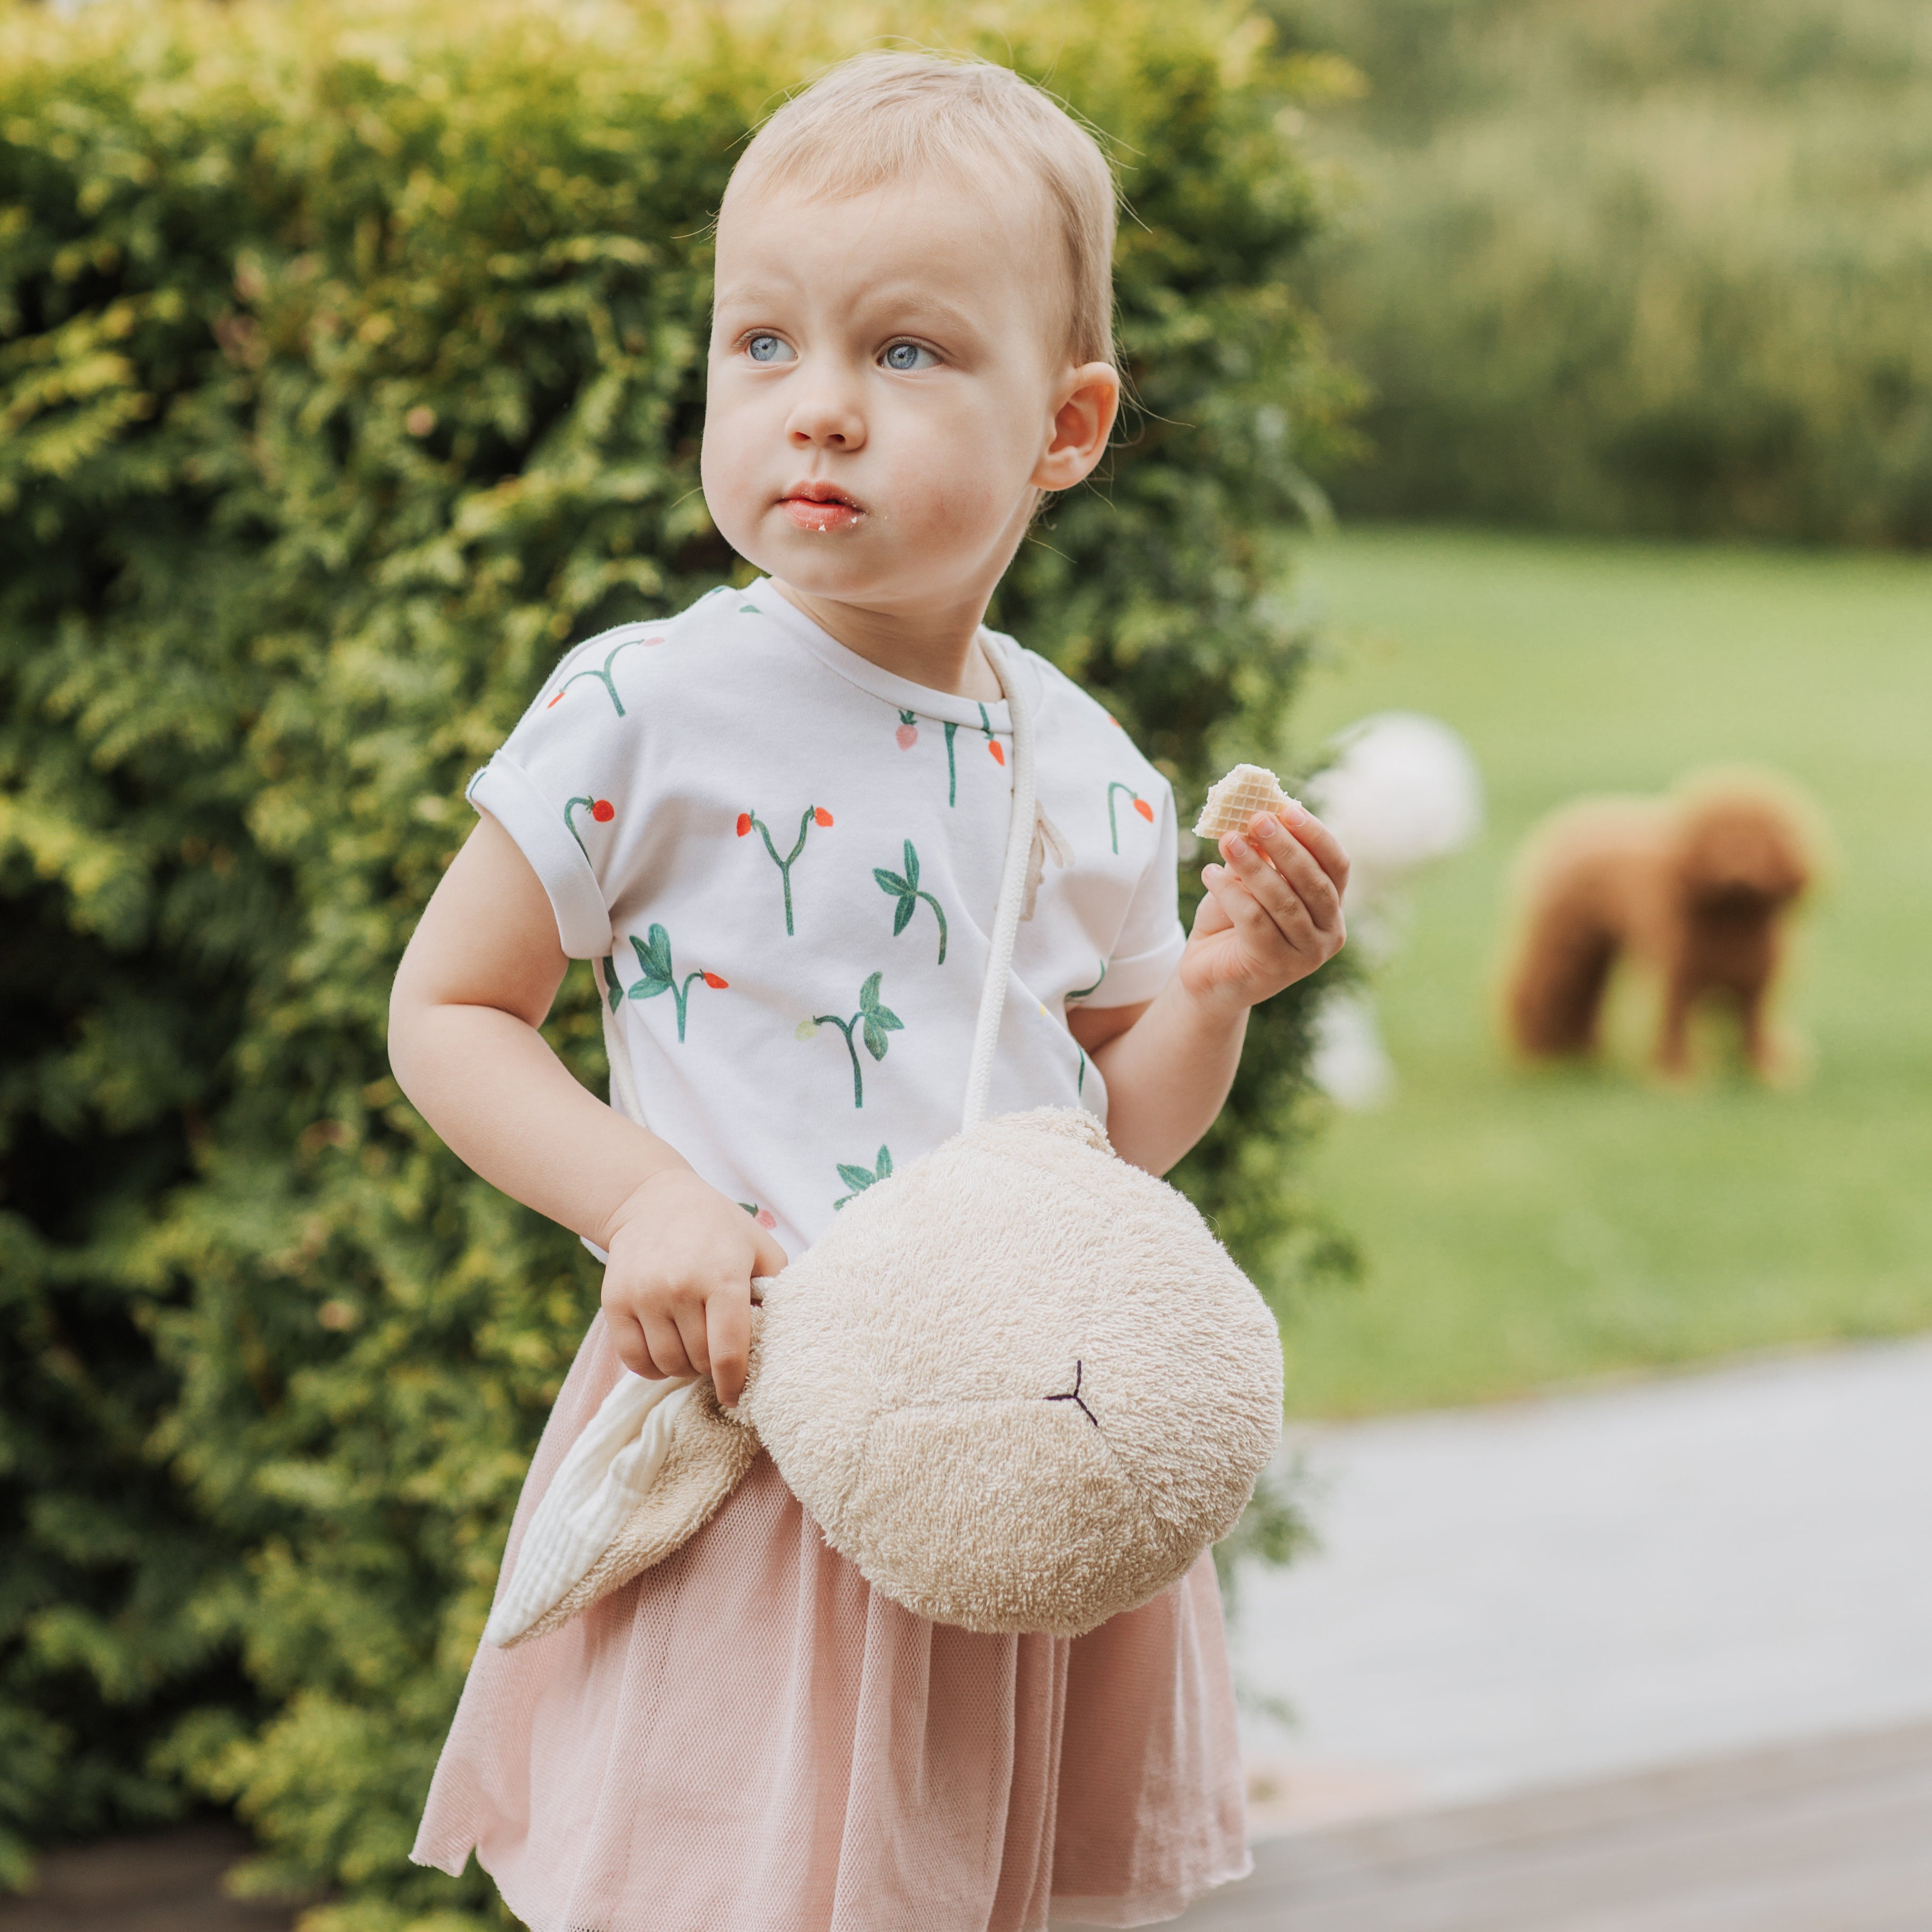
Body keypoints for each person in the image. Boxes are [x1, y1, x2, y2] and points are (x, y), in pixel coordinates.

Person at [392, 51, 1347, 1932]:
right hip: (761, 1439)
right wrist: (646, 1200)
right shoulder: (643, 708)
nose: (817, 408)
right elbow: (451, 1011)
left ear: (1064, 426)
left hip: (1014, 1444)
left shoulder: (1078, 763)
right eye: (762, 343)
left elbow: (1115, 1140)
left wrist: (1221, 986)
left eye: (903, 354)